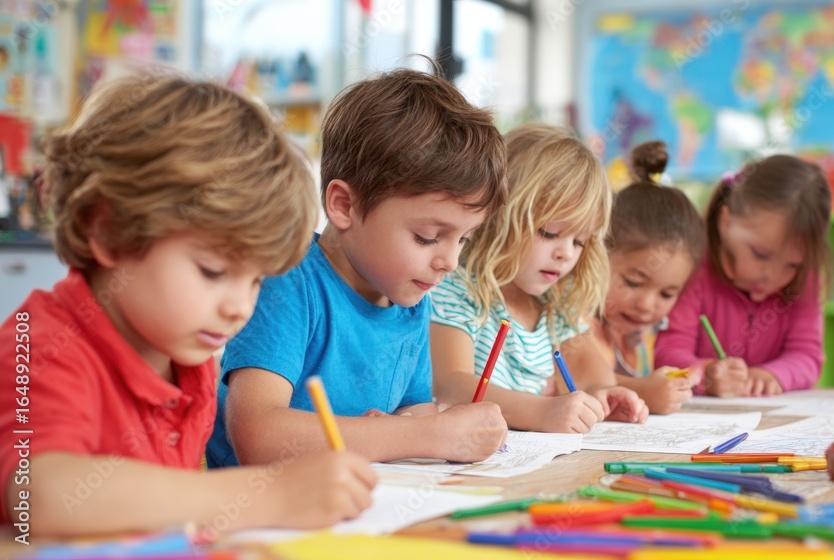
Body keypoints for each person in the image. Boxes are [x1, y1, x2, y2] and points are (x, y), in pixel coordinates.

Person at [0, 72, 376, 537]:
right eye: (213, 272)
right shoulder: (42, 343)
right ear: (109, 232)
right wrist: (269, 493)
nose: (240, 307)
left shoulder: (185, 357)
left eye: (256, 279)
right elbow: (38, 495)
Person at [207, 66, 509, 468]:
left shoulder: (412, 302)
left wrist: (449, 432)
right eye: (426, 237)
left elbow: (413, 415)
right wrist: (424, 433)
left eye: (464, 239)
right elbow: (258, 435)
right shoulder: (289, 283)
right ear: (345, 206)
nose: (450, 262)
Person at [430, 123, 648, 433]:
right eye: (550, 233)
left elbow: (589, 369)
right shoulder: (459, 291)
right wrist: (541, 413)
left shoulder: (555, 305)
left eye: (579, 241)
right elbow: (451, 385)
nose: (566, 254)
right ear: (499, 216)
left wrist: (604, 393)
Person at [655, 155, 832, 397]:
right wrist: (705, 375)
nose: (772, 276)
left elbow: (807, 357)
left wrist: (772, 375)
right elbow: (667, 354)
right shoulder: (692, 269)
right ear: (725, 222)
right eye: (761, 254)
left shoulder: (805, 280)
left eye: (792, 265)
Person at [592, 140, 705, 414]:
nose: (646, 305)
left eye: (667, 294)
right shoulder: (577, 325)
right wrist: (643, 390)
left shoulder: (645, 335)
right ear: (598, 253)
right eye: (633, 282)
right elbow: (575, 382)